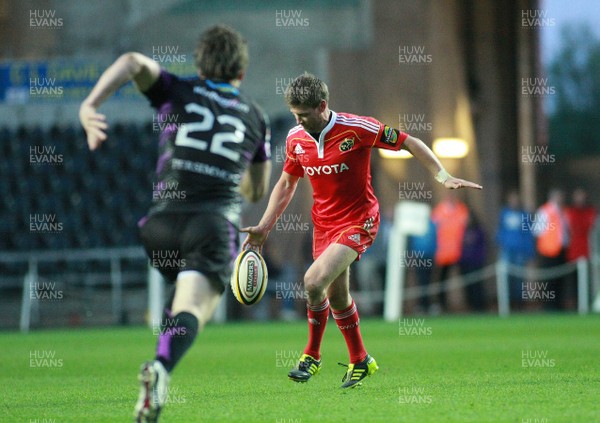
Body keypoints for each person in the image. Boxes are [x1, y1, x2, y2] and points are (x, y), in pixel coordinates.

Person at [79, 25, 271, 422]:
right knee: (193, 309)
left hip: (159, 225)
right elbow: (256, 191)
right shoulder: (255, 116)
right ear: (242, 74)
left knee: (179, 297)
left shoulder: (176, 89)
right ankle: (161, 368)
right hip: (212, 226)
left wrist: (90, 105)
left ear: (200, 66)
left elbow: (131, 62)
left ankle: (158, 370)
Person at [241, 73, 482, 389]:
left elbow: (409, 141)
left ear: (322, 106)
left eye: (303, 114)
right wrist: (264, 227)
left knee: (313, 281)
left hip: (359, 221)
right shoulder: (295, 139)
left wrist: (441, 175)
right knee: (336, 296)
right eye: (294, 115)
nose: (298, 120)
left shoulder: (358, 128)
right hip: (324, 226)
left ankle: (311, 355)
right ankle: (361, 360)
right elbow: (286, 183)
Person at [495, 190, 535, 309]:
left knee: (519, 278)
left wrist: (530, 253)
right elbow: (500, 231)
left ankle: (518, 302)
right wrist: (499, 244)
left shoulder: (524, 215)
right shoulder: (504, 214)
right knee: (506, 278)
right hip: (507, 250)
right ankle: (506, 302)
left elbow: (528, 235)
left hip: (519, 251)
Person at [431, 192, 469, 312]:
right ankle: (440, 305)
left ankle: (470, 304)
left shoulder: (461, 209)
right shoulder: (439, 210)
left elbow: (466, 226)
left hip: (459, 252)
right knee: (442, 280)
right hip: (443, 253)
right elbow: (432, 229)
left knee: (467, 278)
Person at [533, 189, 569, 310]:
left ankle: (558, 304)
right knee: (549, 280)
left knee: (560, 279)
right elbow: (537, 230)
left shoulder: (563, 211)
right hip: (548, 251)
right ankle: (548, 305)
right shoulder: (545, 211)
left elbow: (564, 232)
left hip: (561, 250)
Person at [459, 209, 487, 312]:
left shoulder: (479, 231)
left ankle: (479, 305)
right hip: (465, 262)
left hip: (476, 261)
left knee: (478, 285)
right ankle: (470, 305)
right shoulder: (462, 230)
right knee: (468, 285)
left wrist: (480, 258)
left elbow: (483, 246)